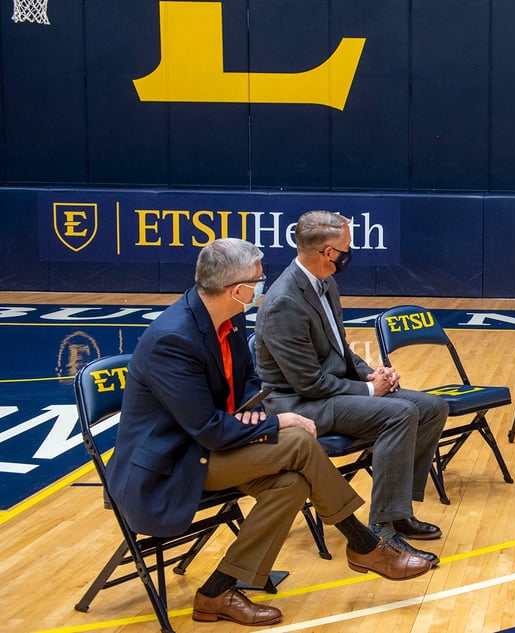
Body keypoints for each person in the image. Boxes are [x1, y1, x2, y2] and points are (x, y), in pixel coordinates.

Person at [106, 238, 431, 627]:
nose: (264, 285)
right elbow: (208, 429)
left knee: (292, 484)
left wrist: (247, 416)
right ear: (238, 290)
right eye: (259, 280)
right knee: (296, 439)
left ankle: (216, 593)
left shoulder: (227, 317)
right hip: (171, 466)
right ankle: (363, 544)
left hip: (213, 446)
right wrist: (274, 422)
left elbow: (249, 381)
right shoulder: (172, 340)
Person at [254, 211, 449, 566]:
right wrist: (372, 392)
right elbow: (308, 383)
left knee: (432, 407)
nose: (351, 251)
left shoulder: (325, 283)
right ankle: (382, 529)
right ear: (329, 253)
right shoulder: (285, 301)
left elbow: (340, 351)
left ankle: (399, 509)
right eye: (347, 246)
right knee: (400, 414)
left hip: (331, 390)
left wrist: (374, 374)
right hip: (298, 404)